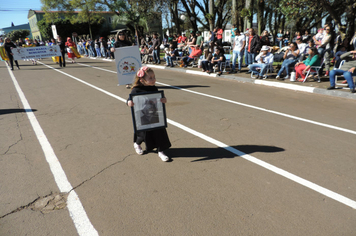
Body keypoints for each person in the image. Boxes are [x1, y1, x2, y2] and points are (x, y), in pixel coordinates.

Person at [127, 66, 171, 162]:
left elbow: (158, 100)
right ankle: (137, 144)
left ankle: (161, 151)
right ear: (142, 80)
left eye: (154, 77)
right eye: (150, 78)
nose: (153, 79)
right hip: (143, 116)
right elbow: (129, 99)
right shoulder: (136, 90)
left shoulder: (154, 88)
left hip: (155, 115)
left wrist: (163, 100)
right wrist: (129, 102)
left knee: (159, 133)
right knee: (142, 134)